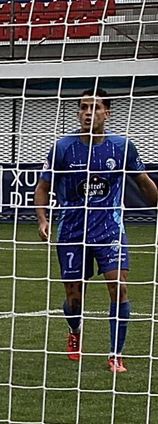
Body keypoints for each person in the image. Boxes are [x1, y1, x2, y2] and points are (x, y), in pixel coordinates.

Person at [35, 88, 157, 374]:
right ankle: (75, 329)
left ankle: (115, 355)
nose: (89, 112)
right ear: (78, 112)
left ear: (107, 113)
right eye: (84, 107)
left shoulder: (122, 147)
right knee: (75, 297)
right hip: (72, 231)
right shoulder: (63, 148)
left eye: (96, 107)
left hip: (109, 229)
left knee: (119, 287)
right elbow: (43, 188)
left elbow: (143, 182)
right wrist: (42, 219)